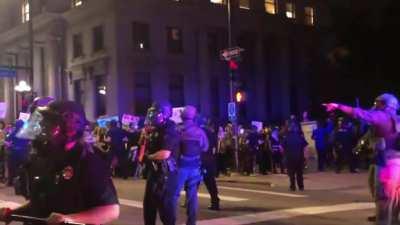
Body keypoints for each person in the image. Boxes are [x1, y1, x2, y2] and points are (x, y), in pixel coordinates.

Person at [0, 101, 119, 225]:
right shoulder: (46, 158)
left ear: (70, 126)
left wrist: (70, 219)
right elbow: (40, 204)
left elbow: (110, 210)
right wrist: (13, 213)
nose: (41, 128)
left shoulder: (88, 161)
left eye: (48, 123)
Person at [324, 93, 400, 225]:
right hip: (396, 164)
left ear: (386, 105)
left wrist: (338, 106)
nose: (376, 105)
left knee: (383, 202)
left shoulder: (382, 117)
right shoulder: (397, 119)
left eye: (379, 103)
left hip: (386, 165)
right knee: (394, 202)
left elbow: (358, 113)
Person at [165, 105, 208, 225]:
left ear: (182, 116)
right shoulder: (200, 131)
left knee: (173, 195)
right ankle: (191, 222)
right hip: (195, 167)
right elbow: (205, 147)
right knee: (192, 195)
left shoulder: (177, 129)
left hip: (180, 167)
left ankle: (171, 222)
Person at [141, 102, 179, 225]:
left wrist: (149, 157)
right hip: (154, 172)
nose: (152, 115)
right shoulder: (155, 129)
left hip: (165, 174)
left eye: (155, 112)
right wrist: (144, 137)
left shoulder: (170, 129)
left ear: (165, 114)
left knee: (165, 208)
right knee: (149, 206)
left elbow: (164, 154)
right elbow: (142, 149)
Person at [200, 119, 220, 210]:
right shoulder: (212, 133)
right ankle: (215, 202)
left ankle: (189, 201)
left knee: (192, 182)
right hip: (209, 160)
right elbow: (216, 148)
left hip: (200, 159)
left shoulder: (199, 132)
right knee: (210, 182)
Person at [282, 121, 308, 191]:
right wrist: (305, 156)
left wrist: (285, 154)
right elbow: (305, 147)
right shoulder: (300, 137)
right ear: (296, 129)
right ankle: (301, 187)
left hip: (290, 158)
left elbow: (282, 148)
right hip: (299, 157)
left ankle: (292, 187)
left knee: (291, 173)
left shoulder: (286, 137)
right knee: (299, 173)